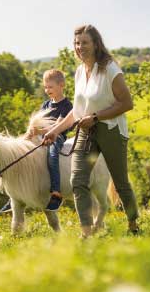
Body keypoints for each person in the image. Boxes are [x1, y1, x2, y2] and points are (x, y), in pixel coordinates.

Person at [43, 24, 140, 237]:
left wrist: (95, 117)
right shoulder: (79, 72)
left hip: (111, 130)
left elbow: (126, 103)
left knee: (121, 183)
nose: (80, 47)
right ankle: (87, 232)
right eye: (77, 43)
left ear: (96, 44)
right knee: (77, 181)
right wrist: (55, 131)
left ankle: (133, 225)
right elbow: (77, 112)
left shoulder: (110, 69)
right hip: (86, 133)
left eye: (85, 42)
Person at [0, 69, 73, 213]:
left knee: (52, 156)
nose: (47, 90)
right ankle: (15, 194)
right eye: (45, 87)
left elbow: (56, 126)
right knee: (22, 155)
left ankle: (56, 192)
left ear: (61, 85)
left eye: (50, 87)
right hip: (41, 137)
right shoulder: (46, 104)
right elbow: (38, 123)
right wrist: (27, 137)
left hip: (56, 137)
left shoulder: (66, 106)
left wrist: (39, 132)